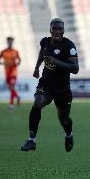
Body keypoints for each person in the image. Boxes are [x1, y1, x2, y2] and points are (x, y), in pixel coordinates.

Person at [20, 18, 79, 152]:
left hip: (62, 88)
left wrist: (56, 61)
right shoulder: (45, 42)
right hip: (46, 83)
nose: (58, 31)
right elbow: (42, 53)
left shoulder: (69, 46)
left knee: (63, 119)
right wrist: (36, 68)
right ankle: (32, 141)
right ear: (50, 30)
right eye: (55, 28)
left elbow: (75, 68)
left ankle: (68, 135)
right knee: (37, 104)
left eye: (60, 29)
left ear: (63, 30)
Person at [0, 37, 21, 111]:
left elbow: (19, 60)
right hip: (7, 73)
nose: (10, 43)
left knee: (12, 87)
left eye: (11, 41)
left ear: (12, 42)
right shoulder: (3, 51)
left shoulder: (15, 51)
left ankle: (11, 105)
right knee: (11, 89)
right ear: (7, 42)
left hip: (13, 73)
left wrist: (16, 63)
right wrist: (4, 63)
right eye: (9, 41)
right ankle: (17, 97)